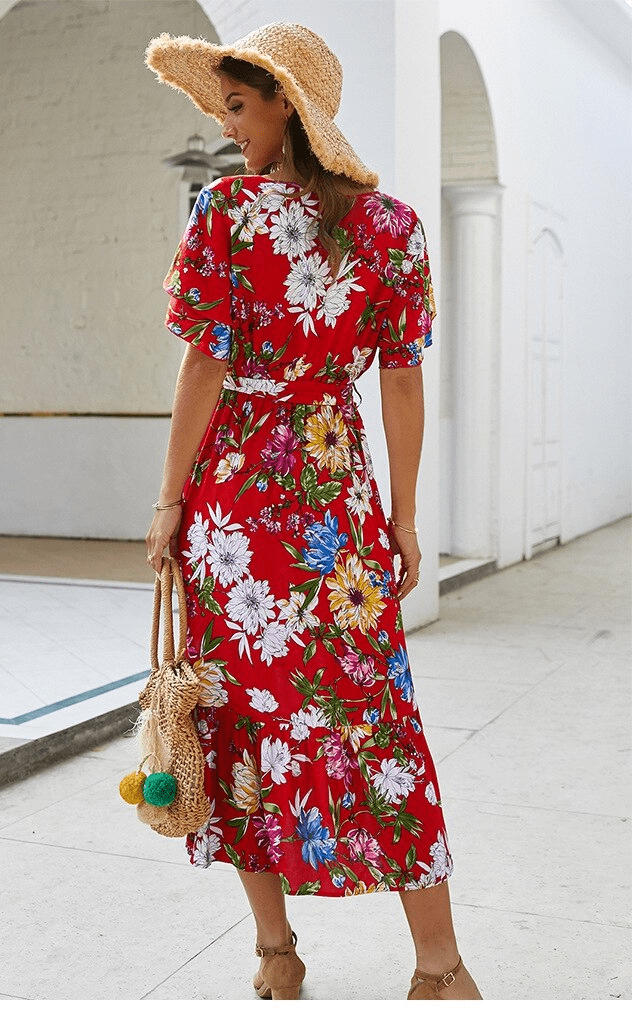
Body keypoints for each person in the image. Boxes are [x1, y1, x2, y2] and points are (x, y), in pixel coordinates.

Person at [143, 22, 482, 1002]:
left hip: (233, 508)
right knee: (371, 720)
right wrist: (406, 519)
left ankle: (275, 951)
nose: (228, 128)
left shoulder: (224, 214)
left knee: (237, 716)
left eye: (238, 107)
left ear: (286, 103)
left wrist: (167, 499)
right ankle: (437, 965)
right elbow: (404, 387)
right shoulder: (391, 230)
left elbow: (202, 363)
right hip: (336, 500)